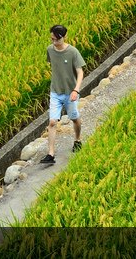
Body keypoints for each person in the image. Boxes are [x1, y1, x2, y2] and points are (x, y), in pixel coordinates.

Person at [41, 24, 84, 165]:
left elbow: (80, 72)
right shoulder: (49, 50)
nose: (54, 42)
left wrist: (75, 90)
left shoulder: (73, 52)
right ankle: (51, 154)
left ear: (64, 37)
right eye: (52, 39)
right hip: (55, 92)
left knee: (74, 118)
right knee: (52, 122)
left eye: (56, 40)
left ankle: (77, 140)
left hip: (70, 92)